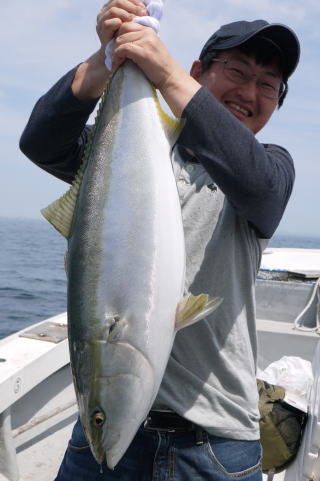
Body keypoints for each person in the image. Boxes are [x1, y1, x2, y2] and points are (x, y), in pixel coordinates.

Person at [19, 1, 300, 480]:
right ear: (199, 72)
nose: (249, 92)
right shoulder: (123, 156)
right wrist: (104, 61)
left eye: (268, 85)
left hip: (214, 448)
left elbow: (261, 189)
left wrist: (163, 72)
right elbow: (42, 141)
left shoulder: (268, 167)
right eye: (236, 71)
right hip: (101, 448)